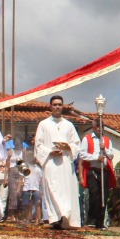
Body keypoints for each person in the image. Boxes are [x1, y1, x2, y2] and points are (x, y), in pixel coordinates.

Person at [34, 96, 81, 229]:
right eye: (54, 104)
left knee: (66, 190)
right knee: (52, 188)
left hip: (65, 162)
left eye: (59, 104)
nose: (57, 107)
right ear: (50, 106)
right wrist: (50, 152)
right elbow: (38, 145)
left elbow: (76, 144)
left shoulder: (69, 125)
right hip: (50, 162)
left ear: (63, 106)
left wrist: (68, 147)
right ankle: (56, 217)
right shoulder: (43, 124)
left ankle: (65, 216)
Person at [79, 124, 115, 229]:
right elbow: (82, 155)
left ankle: (100, 221)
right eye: (97, 127)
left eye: (101, 127)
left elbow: (111, 155)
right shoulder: (87, 139)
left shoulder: (107, 140)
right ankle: (91, 220)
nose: (99, 129)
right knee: (94, 195)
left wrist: (105, 149)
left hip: (104, 171)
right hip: (93, 170)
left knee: (104, 196)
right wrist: (96, 157)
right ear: (94, 128)